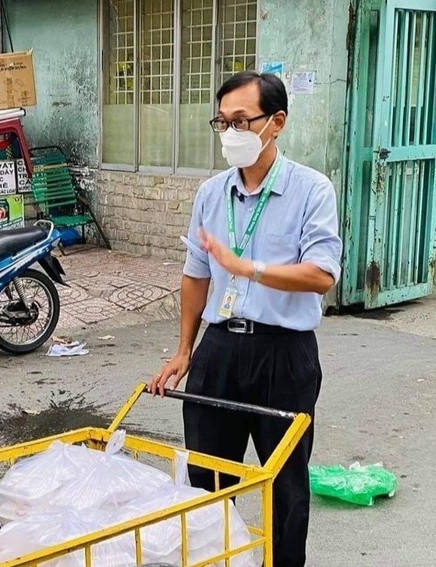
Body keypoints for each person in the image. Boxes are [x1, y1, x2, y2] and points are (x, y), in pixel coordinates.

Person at [147, 71, 342, 567]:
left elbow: (321, 275)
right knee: (209, 482)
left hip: (284, 354)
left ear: (276, 122)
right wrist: (185, 350)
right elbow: (195, 275)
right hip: (219, 352)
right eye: (222, 122)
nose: (230, 133)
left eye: (240, 121)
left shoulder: (310, 190)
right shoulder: (211, 194)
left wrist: (246, 267)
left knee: (285, 485)